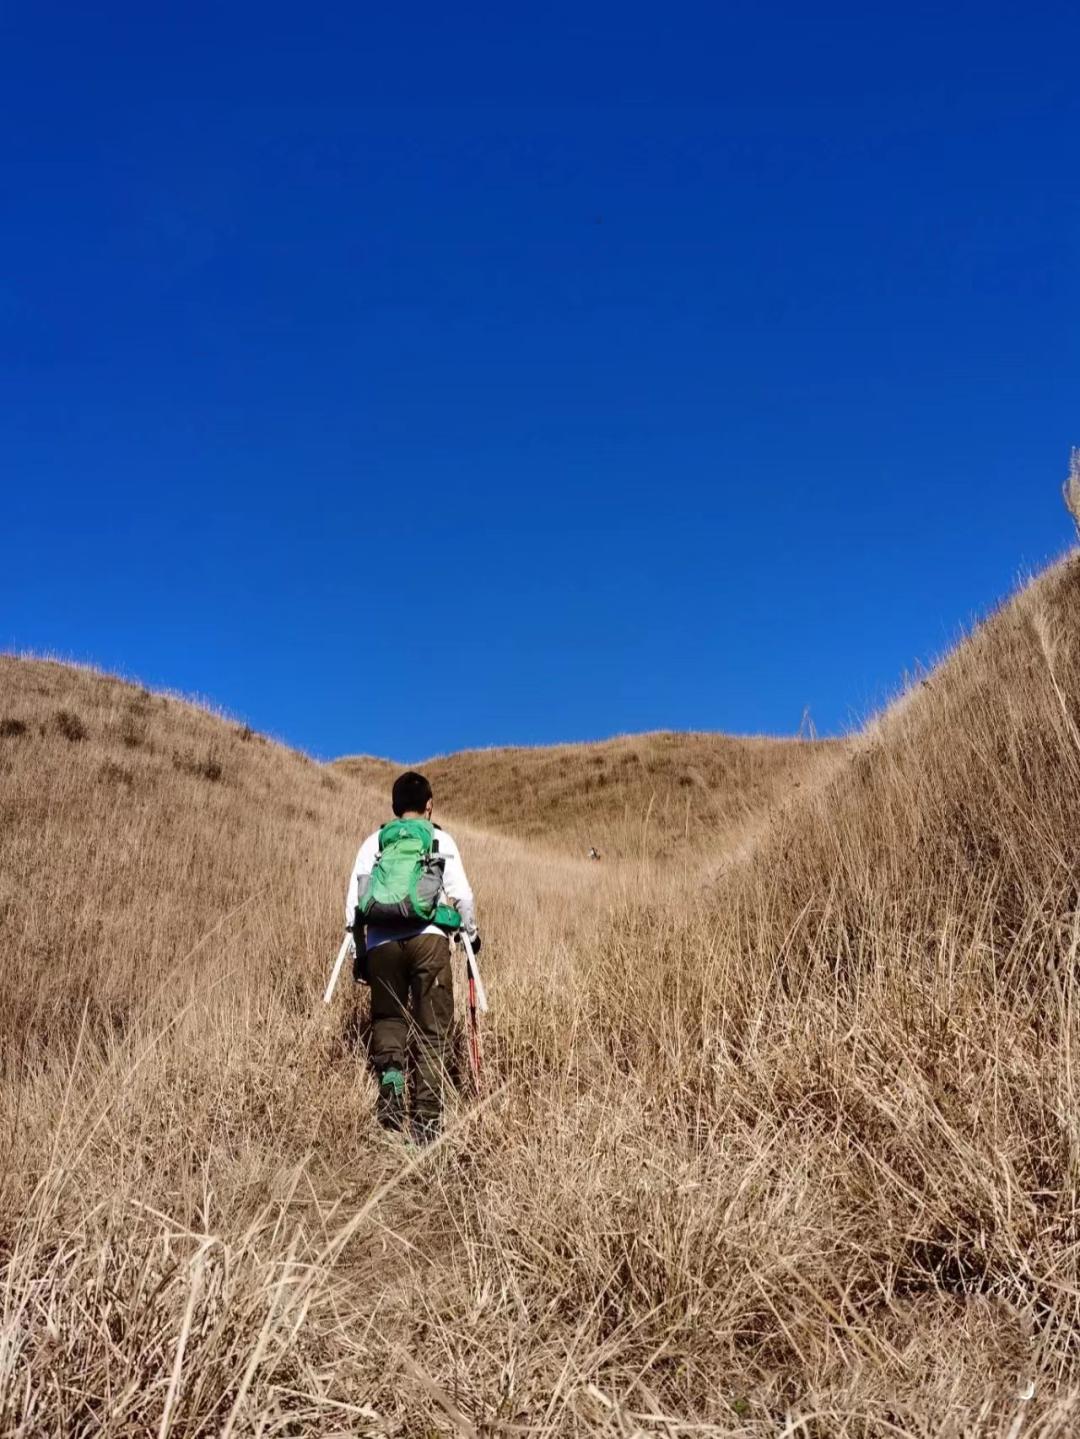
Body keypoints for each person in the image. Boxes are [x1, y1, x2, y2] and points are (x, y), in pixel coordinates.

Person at [345, 770, 480, 1142]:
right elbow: (463, 897)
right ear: (430, 805)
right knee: (432, 1029)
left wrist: (360, 952)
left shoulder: (375, 842)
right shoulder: (439, 839)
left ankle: (391, 1085)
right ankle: (426, 1119)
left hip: (381, 944)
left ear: (394, 806)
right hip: (428, 941)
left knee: (388, 1017)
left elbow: (355, 902)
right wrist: (471, 936)